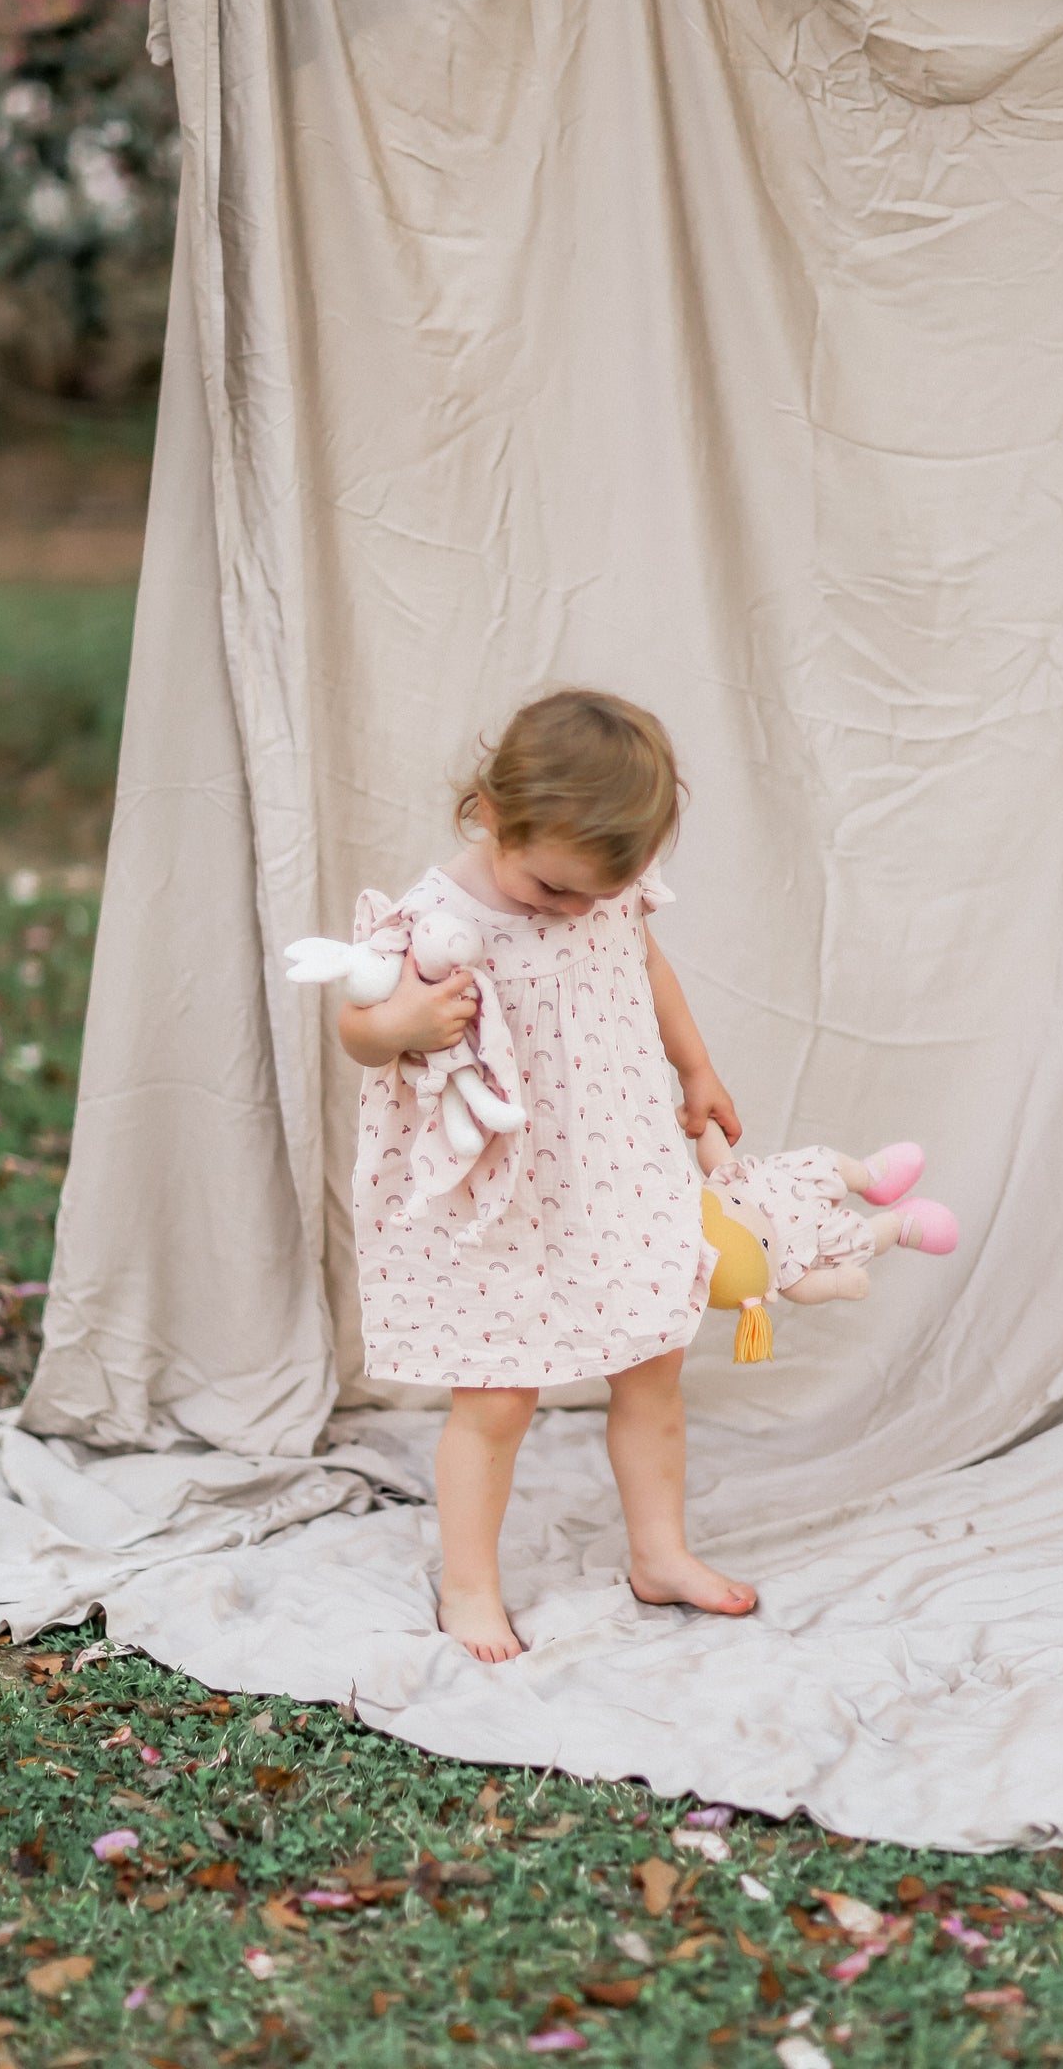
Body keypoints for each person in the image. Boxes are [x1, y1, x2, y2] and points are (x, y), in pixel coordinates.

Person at [340, 687, 755, 1662]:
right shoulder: (431, 915)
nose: (576, 910)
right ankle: (469, 1586)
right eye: (553, 890)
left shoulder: (607, 889)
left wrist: (694, 1069)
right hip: (503, 1191)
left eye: (595, 893)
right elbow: (359, 1026)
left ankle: (659, 1552)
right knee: (496, 1394)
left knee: (652, 1359)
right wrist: (403, 1025)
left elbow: (645, 964)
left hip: (612, 1162)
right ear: (490, 811)